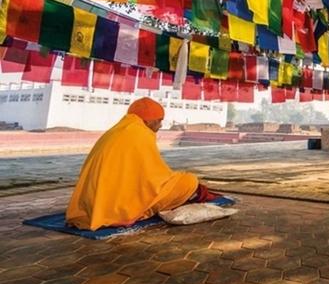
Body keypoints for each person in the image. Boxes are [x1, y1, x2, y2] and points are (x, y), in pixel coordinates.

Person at [66, 98, 218, 231]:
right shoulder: (141, 134)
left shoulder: (117, 130)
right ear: (148, 120)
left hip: (91, 204)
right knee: (188, 181)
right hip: (116, 207)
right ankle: (127, 212)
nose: (160, 126)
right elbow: (153, 180)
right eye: (159, 120)